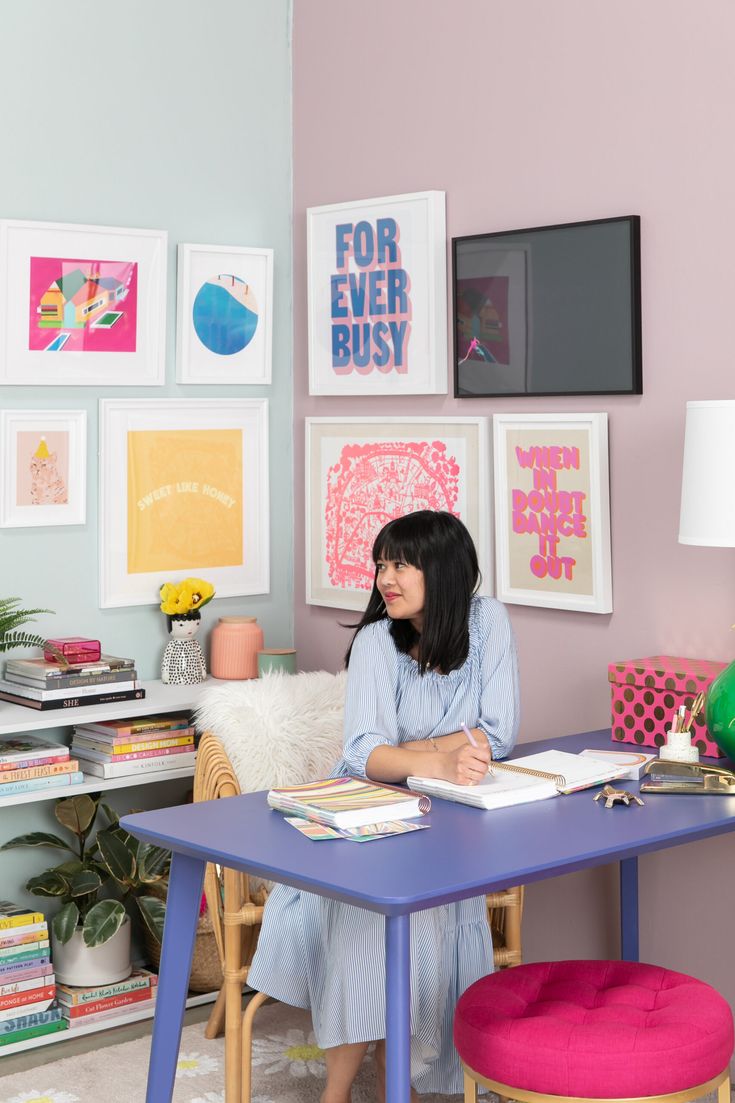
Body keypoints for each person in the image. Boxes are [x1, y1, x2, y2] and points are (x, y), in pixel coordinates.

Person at [247, 510, 520, 1102]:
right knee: (371, 922)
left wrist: (417, 754)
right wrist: (442, 758)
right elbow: (365, 754)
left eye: (399, 564)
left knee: (429, 914)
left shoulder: (489, 622)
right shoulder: (376, 641)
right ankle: (338, 1091)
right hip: (364, 816)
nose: (384, 579)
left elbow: (498, 733)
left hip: (449, 820)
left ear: (441, 571)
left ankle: (404, 1081)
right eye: (380, 564)